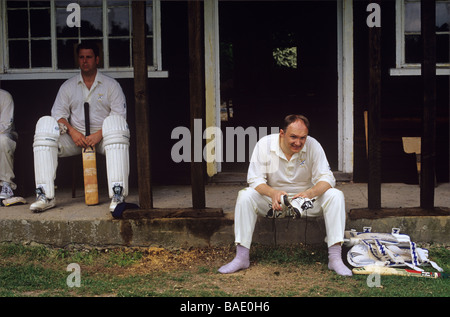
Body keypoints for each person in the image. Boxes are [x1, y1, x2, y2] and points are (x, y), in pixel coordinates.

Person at [218, 114, 352, 276]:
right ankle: (241, 257)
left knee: (335, 195)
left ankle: (335, 258)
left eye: (303, 138)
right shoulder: (264, 145)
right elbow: (254, 179)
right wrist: (272, 192)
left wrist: (310, 193)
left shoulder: (313, 145)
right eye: (293, 137)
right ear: (282, 133)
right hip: (273, 202)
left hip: (305, 202)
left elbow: (327, 178)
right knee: (245, 196)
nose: (298, 142)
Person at [30, 41, 130, 213]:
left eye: (89, 57)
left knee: (116, 126)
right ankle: (44, 195)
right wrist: (73, 132)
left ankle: (118, 194)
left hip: (104, 138)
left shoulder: (111, 85)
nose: (85, 61)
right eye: (81, 57)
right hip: (76, 139)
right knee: (45, 126)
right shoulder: (68, 86)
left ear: (97, 59)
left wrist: (99, 134)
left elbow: (120, 116)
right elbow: (58, 115)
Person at [0, 89, 18, 200]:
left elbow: (5, 126)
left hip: (6, 135)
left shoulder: (5, 96)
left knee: (2, 140)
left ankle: (7, 184)